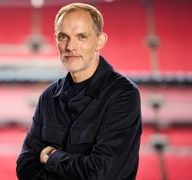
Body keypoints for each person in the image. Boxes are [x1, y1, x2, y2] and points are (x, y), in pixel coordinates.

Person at [16, 2, 142, 180]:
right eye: (63, 37)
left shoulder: (123, 95)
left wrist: (51, 156)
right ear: (56, 40)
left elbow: (103, 174)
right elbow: (24, 168)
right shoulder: (48, 96)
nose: (70, 47)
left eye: (81, 36)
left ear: (100, 41)